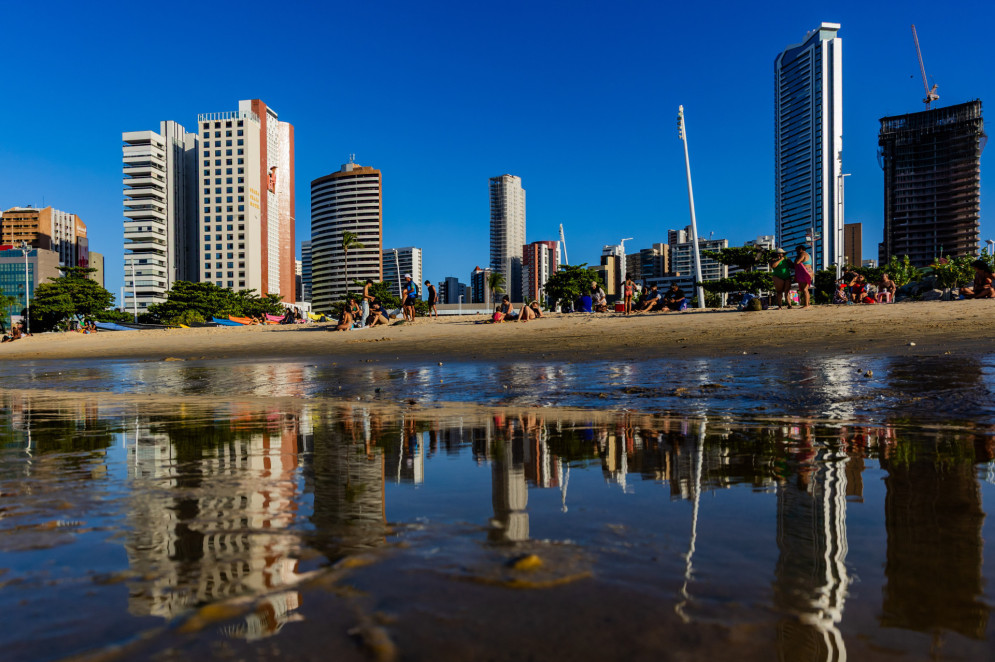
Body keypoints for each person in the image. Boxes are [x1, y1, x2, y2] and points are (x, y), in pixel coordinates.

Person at [794, 244, 814, 308]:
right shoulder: (808, 254)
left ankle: (806, 304)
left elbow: (797, 262)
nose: (797, 252)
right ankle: (807, 304)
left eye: (797, 251)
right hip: (809, 271)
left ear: (801, 250)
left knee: (805, 289)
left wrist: (796, 258)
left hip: (805, 272)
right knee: (805, 289)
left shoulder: (802, 254)